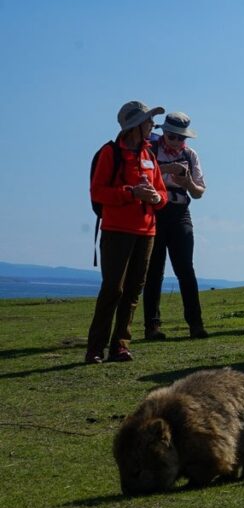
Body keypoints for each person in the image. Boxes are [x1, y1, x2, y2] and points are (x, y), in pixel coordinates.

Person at [85, 101, 168, 363]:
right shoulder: (110, 153)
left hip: (146, 232)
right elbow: (98, 192)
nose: (153, 126)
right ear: (136, 126)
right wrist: (131, 193)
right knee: (113, 289)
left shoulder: (149, 156)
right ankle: (95, 349)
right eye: (149, 122)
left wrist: (155, 198)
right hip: (117, 231)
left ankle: (120, 345)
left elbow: (162, 194)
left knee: (133, 290)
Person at [142, 112, 209, 340]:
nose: (178, 142)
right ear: (163, 133)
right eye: (173, 137)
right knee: (154, 271)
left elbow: (199, 192)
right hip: (155, 211)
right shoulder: (149, 149)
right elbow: (140, 177)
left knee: (185, 270)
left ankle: (195, 324)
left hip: (180, 212)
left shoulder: (190, 155)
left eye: (182, 138)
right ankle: (152, 326)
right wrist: (165, 171)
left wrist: (187, 181)